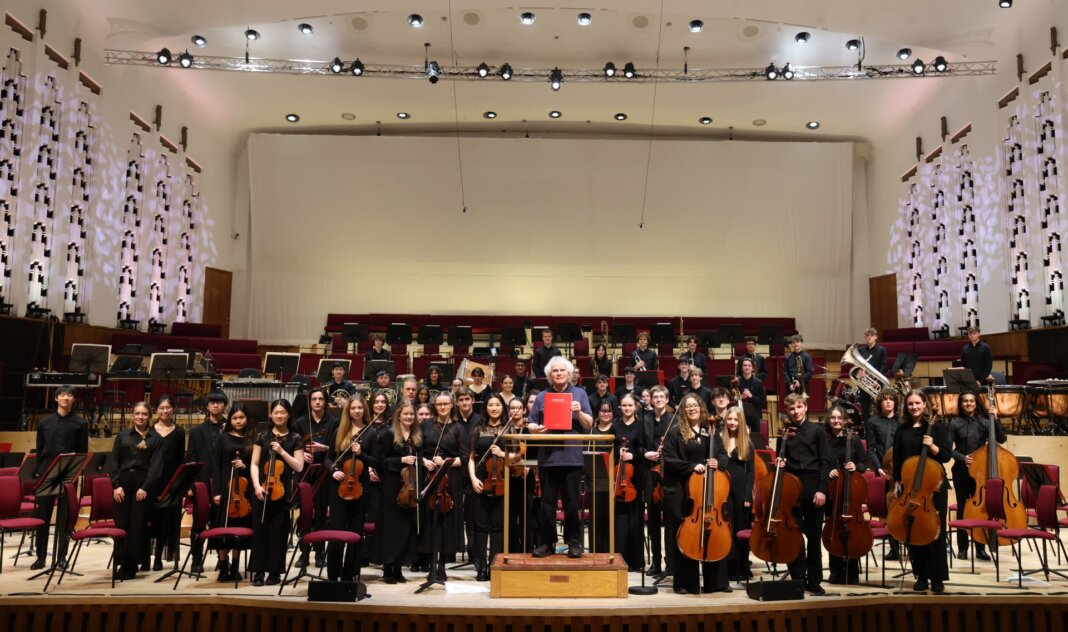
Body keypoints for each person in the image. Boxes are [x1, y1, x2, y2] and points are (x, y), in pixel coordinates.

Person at [661, 393, 731, 594]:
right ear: (683, 410)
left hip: (708, 491)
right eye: (687, 406)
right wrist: (692, 466)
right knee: (685, 534)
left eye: (695, 405)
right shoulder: (676, 433)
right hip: (682, 491)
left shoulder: (711, 431)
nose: (691, 409)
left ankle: (716, 582)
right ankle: (685, 583)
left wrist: (719, 463)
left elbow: (723, 455)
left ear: (701, 407)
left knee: (712, 531)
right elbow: (669, 459)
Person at [527, 356, 594, 558]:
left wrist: (579, 412)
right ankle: (548, 543)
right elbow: (530, 424)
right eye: (554, 371)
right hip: (547, 458)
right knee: (546, 503)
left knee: (572, 503)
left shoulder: (580, 393)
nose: (558, 374)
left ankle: (574, 543)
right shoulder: (541, 397)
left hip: (572, 457)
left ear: (569, 373)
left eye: (562, 371)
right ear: (549, 375)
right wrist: (536, 429)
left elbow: (589, 423)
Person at [893, 389, 951, 593]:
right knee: (913, 531)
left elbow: (946, 456)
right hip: (910, 488)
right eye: (910, 404)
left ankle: (937, 578)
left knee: (935, 532)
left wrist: (933, 446)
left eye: (918, 403)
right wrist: (897, 482)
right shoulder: (902, 430)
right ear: (906, 407)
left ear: (925, 404)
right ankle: (921, 576)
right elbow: (898, 459)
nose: (914, 407)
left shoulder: (936, 427)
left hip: (933, 488)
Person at [32, 385, 89, 570]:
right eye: (62, 395)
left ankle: (62, 557)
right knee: (43, 516)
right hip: (47, 473)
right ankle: (40, 557)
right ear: (56, 398)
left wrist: (75, 474)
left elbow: (82, 452)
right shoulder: (45, 423)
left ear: (74, 399)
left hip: (68, 474)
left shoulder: (80, 423)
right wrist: (40, 473)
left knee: (64, 518)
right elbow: (39, 450)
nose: (65, 397)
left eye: (69, 395)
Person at [779, 392, 831, 595]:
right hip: (791, 488)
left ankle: (814, 580)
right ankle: (797, 577)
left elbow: (825, 462)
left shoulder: (817, 431)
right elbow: (781, 462)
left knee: (814, 536)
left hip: (812, 485)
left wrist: (821, 489)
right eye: (791, 409)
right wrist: (780, 463)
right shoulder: (785, 432)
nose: (795, 412)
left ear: (805, 407)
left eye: (799, 407)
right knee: (793, 536)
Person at [249, 399, 304, 586]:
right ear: (270, 415)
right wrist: (256, 486)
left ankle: (274, 572)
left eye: (283, 412)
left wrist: (281, 451)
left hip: (282, 491)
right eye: (276, 412)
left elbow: (298, 466)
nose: (279, 415)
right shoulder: (262, 436)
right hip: (261, 489)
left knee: (278, 532)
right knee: (260, 531)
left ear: (288, 415)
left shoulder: (295, 438)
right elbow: (254, 463)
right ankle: (258, 571)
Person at [326, 393, 379, 582]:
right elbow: (328, 457)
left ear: (364, 409)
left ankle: (350, 575)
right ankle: (333, 575)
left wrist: (361, 453)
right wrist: (333, 470)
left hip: (361, 486)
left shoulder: (370, 432)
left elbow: (376, 461)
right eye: (353, 408)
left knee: (356, 531)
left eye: (360, 407)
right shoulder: (340, 430)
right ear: (348, 410)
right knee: (337, 530)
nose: (357, 411)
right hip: (338, 485)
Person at [948, 391, 1004, 561]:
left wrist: (996, 419)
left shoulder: (985, 423)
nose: (969, 404)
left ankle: (980, 548)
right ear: (961, 404)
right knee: (963, 509)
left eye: (971, 401)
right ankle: (963, 548)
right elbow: (948, 449)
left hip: (980, 473)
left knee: (981, 510)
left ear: (975, 403)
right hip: (961, 471)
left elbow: (1001, 439)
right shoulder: (954, 423)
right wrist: (962, 458)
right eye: (965, 401)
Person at [110, 401, 160, 580]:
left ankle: (130, 566)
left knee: (137, 526)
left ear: (149, 417)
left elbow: (156, 466)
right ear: (133, 416)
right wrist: (116, 486)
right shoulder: (123, 436)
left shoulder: (155, 437)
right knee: (122, 525)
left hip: (142, 484)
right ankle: (119, 562)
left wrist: (145, 487)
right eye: (137, 413)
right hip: (123, 484)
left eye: (144, 414)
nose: (140, 417)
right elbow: (114, 462)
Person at [419, 392, 466, 576]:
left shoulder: (458, 428)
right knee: (430, 520)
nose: (442, 407)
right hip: (429, 476)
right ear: (435, 406)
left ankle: (442, 566)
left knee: (447, 521)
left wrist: (444, 462)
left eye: (446, 404)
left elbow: (463, 458)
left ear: (452, 405)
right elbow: (417, 449)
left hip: (450, 479)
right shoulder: (425, 425)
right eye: (439, 404)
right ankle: (430, 565)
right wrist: (425, 461)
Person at [377, 401, 424, 583]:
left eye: (411, 414)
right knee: (392, 527)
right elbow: (381, 461)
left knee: (406, 527)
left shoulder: (416, 436)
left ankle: (399, 567)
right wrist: (401, 460)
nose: (408, 417)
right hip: (392, 484)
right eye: (405, 414)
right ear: (398, 415)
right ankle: (388, 567)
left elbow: (419, 461)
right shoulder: (390, 434)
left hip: (410, 486)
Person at [292, 387, 338, 569]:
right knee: (305, 513)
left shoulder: (334, 422)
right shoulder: (300, 423)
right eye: (314, 399)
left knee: (320, 513)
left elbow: (336, 448)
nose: (317, 402)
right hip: (305, 472)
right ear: (310, 402)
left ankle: (320, 552)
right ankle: (304, 552)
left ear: (325, 402)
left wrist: (325, 449)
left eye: (320, 399)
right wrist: (302, 453)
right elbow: (294, 446)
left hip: (324, 473)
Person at [467, 393, 512, 581]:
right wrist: (472, 478)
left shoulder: (509, 429)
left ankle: (495, 564)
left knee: (498, 527)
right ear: (486, 408)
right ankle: (481, 565)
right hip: (480, 481)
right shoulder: (478, 429)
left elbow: (517, 457)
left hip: (502, 483)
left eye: (497, 405)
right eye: (490, 405)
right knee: (480, 526)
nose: (494, 408)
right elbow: (471, 458)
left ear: (503, 407)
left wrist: (502, 453)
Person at [184, 389, 228, 574]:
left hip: (225, 482)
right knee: (199, 523)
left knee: (221, 523)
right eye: (212, 402)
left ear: (225, 405)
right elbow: (191, 460)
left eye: (219, 402)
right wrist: (190, 484)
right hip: (202, 483)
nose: (216, 405)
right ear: (207, 406)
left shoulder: (231, 427)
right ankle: (196, 560)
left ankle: (222, 559)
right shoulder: (196, 432)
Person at [212, 401, 256, 583]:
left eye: (241, 418)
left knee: (241, 527)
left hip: (244, 491)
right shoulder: (223, 438)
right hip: (225, 488)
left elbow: (256, 466)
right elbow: (217, 466)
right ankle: (223, 564)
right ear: (230, 419)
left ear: (247, 419)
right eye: (235, 418)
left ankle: (236, 566)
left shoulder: (252, 439)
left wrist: (245, 466)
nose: (238, 421)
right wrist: (217, 491)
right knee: (223, 529)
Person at [823, 405, 867, 584]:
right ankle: (835, 570)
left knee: (853, 529)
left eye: (839, 418)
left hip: (850, 491)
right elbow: (820, 461)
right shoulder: (823, 438)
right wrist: (828, 471)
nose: (836, 421)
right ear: (828, 419)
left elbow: (864, 463)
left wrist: (856, 467)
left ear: (844, 420)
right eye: (833, 418)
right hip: (832, 491)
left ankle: (852, 571)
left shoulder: (854, 439)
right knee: (834, 530)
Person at [642, 385, 676, 577]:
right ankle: (655, 562)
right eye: (655, 397)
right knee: (653, 521)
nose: (659, 399)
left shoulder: (675, 419)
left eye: (662, 396)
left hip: (669, 474)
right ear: (651, 400)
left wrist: (667, 453)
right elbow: (639, 446)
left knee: (670, 521)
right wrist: (646, 453)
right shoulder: (644, 420)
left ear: (667, 399)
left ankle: (670, 562)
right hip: (650, 474)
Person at [148, 395, 185, 571]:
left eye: (168, 408)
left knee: (166, 521)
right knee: (150, 520)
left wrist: (179, 484)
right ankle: (145, 556)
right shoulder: (149, 431)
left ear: (173, 410)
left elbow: (180, 460)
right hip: (151, 482)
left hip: (170, 482)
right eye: (161, 408)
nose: (165, 411)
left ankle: (158, 558)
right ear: (156, 410)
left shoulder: (178, 432)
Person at [863, 388, 901, 560]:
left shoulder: (902, 421)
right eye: (884, 399)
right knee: (887, 509)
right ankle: (894, 547)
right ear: (880, 403)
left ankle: (905, 541)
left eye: (891, 399)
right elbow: (870, 449)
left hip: (900, 469)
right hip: (882, 469)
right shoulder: (872, 422)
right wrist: (878, 468)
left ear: (895, 402)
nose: (888, 402)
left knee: (901, 507)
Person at [721, 406, 754, 582]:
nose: (732, 422)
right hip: (724, 489)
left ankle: (742, 567)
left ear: (740, 422)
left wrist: (748, 495)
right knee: (727, 528)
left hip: (741, 491)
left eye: (735, 420)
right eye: (729, 419)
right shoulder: (720, 440)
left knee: (741, 527)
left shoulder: (747, 442)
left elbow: (751, 472)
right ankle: (729, 567)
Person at [613, 393, 645, 572]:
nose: (626, 409)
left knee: (636, 521)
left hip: (635, 477)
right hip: (619, 478)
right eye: (624, 405)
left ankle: (636, 561)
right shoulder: (615, 426)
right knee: (620, 521)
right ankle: (620, 558)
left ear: (635, 407)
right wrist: (619, 455)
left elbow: (644, 449)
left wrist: (633, 455)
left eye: (630, 405)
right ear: (620, 407)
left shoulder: (641, 426)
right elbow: (611, 449)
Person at [854, 328, 888, 418]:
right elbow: (858, 365)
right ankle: (866, 427)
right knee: (865, 407)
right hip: (864, 382)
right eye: (867, 335)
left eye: (872, 335)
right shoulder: (861, 350)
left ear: (876, 337)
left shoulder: (882, 350)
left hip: (877, 382)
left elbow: (883, 365)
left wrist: (876, 378)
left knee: (879, 405)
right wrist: (860, 371)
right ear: (865, 337)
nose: (870, 337)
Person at [736, 358, 767, 448]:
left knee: (755, 441)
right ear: (741, 368)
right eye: (744, 365)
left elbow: (762, 402)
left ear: (752, 368)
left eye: (749, 366)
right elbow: (732, 400)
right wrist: (739, 398)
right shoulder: (737, 382)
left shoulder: (758, 383)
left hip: (755, 415)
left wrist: (751, 396)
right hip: (740, 414)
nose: (746, 367)